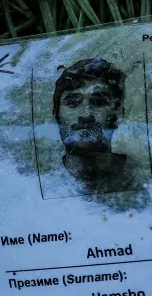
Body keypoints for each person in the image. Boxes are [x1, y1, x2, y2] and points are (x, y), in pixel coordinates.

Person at [49, 58, 137, 195]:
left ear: (119, 112)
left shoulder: (142, 174)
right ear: (56, 113)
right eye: (72, 102)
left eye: (99, 102)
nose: (86, 114)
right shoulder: (40, 182)